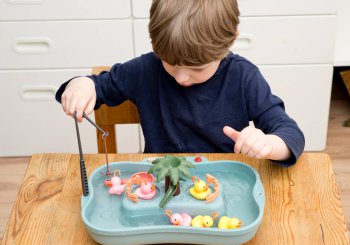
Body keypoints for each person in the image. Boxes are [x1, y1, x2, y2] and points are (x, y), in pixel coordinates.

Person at [55, 0, 304, 167]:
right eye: (170, 63)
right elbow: (98, 87)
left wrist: (270, 145)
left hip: (223, 183)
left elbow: (291, 134)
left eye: (197, 68)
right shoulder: (145, 70)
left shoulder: (243, 78)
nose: (181, 77)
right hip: (156, 184)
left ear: (228, 44)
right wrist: (81, 84)